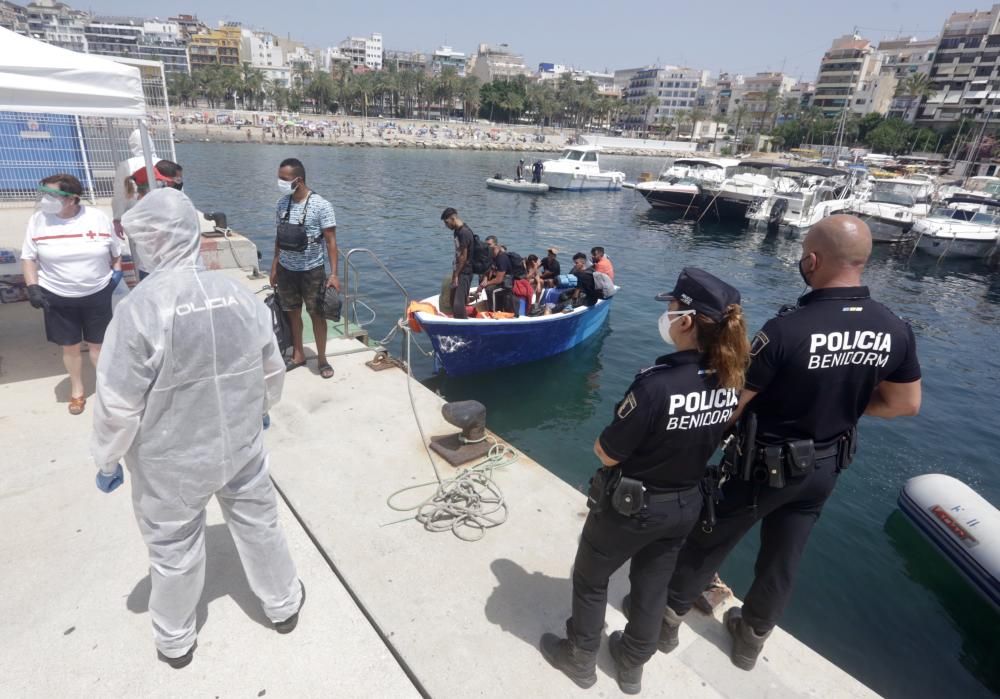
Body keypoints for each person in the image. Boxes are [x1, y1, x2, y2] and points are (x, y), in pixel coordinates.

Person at [662, 215, 922, 672]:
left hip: (759, 469)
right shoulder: (895, 328)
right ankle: (750, 640)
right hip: (823, 469)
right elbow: (905, 404)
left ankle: (664, 623)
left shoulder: (786, 330)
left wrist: (691, 451)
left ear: (813, 260)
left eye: (804, 252)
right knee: (784, 558)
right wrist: (843, 398)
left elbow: (734, 405)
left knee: (709, 541)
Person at [90, 188, 304, 669]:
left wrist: (107, 457)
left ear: (149, 243)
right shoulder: (236, 294)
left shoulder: (139, 310)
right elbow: (271, 367)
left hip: (170, 463)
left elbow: (118, 402)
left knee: (173, 551)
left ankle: (175, 641)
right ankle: (284, 605)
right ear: (191, 234)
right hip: (240, 444)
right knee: (260, 527)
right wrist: (263, 407)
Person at [541, 267, 750, 694]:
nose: (668, 314)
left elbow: (608, 451)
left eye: (672, 308)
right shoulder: (731, 380)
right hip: (686, 504)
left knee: (591, 578)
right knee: (653, 585)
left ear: (687, 321)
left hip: (632, 509)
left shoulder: (656, 385)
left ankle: (581, 658)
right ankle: (632, 665)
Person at [20, 174, 122, 415]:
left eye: (53, 194)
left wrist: (115, 276)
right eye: (44, 193)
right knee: (70, 346)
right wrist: (32, 287)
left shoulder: (97, 218)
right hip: (57, 295)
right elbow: (28, 257)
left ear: (73, 198)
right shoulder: (38, 221)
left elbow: (116, 253)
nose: (46, 199)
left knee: (99, 347)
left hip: (97, 293)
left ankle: (108, 390)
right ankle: (77, 390)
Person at [269, 158, 339, 379]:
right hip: (287, 270)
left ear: (298, 180)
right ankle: (298, 354)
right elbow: (278, 238)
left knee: (317, 316)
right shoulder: (282, 204)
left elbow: (331, 242)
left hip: (312, 270)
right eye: (279, 177)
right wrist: (274, 267)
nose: (280, 182)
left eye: (284, 179)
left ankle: (322, 358)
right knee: (292, 313)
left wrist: (334, 274)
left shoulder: (322, 205)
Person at [441, 207, 475, 319]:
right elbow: (458, 252)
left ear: (453, 218)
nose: (446, 226)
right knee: (452, 300)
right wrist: (455, 272)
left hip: (465, 272)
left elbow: (463, 257)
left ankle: (464, 326)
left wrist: (456, 275)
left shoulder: (464, 233)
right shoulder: (457, 231)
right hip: (458, 270)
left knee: (458, 304)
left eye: (447, 222)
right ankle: (457, 320)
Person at [476, 235, 514, 312]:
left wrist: (486, 284)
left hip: (506, 284)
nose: (487, 247)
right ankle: (493, 307)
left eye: (489, 244)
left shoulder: (502, 258)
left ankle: (493, 312)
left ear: (496, 245)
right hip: (498, 281)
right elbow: (488, 270)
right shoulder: (491, 256)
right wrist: (484, 280)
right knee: (482, 279)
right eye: (486, 245)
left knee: (490, 290)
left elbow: (499, 279)